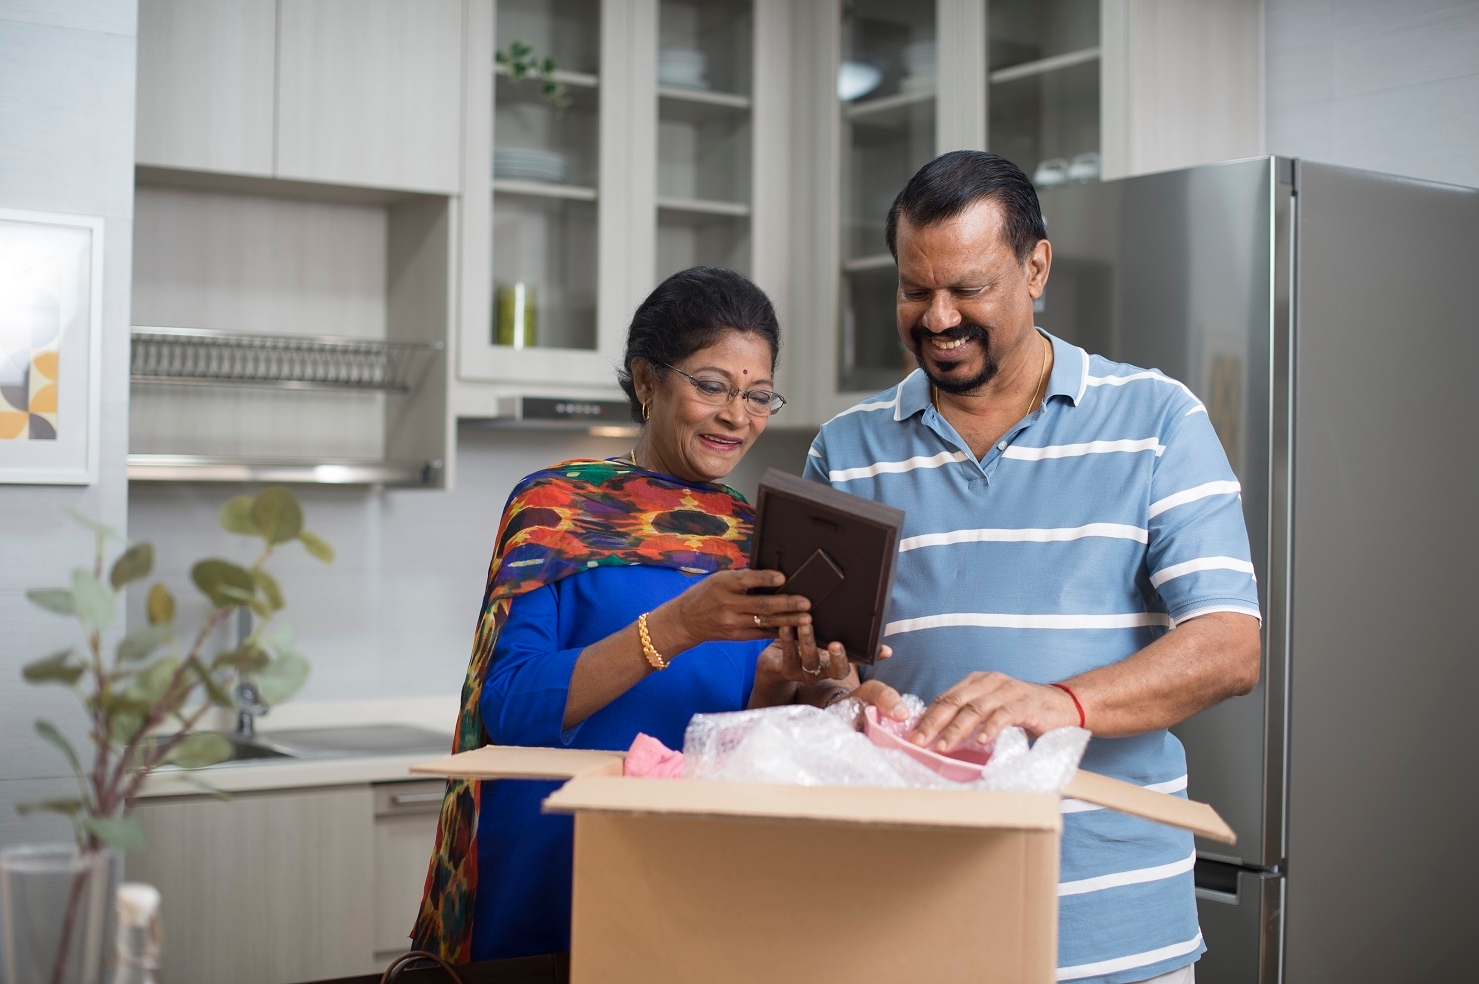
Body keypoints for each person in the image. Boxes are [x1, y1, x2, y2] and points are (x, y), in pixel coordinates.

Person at [804, 151, 1262, 984]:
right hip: (903, 924)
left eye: (968, 287)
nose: (937, 316)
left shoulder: (1156, 417)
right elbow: (815, 670)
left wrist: (1061, 703)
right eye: (914, 289)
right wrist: (842, 694)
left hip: (1113, 934)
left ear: (1035, 267)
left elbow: (1230, 646)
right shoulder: (845, 449)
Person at [412, 266, 864, 963]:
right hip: (552, 868)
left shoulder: (761, 535)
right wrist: (678, 627)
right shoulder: (555, 507)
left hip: (696, 878)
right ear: (647, 381)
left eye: (757, 394)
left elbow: (742, 750)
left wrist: (784, 684)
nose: (736, 416)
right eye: (711, 385)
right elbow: (508, 710)